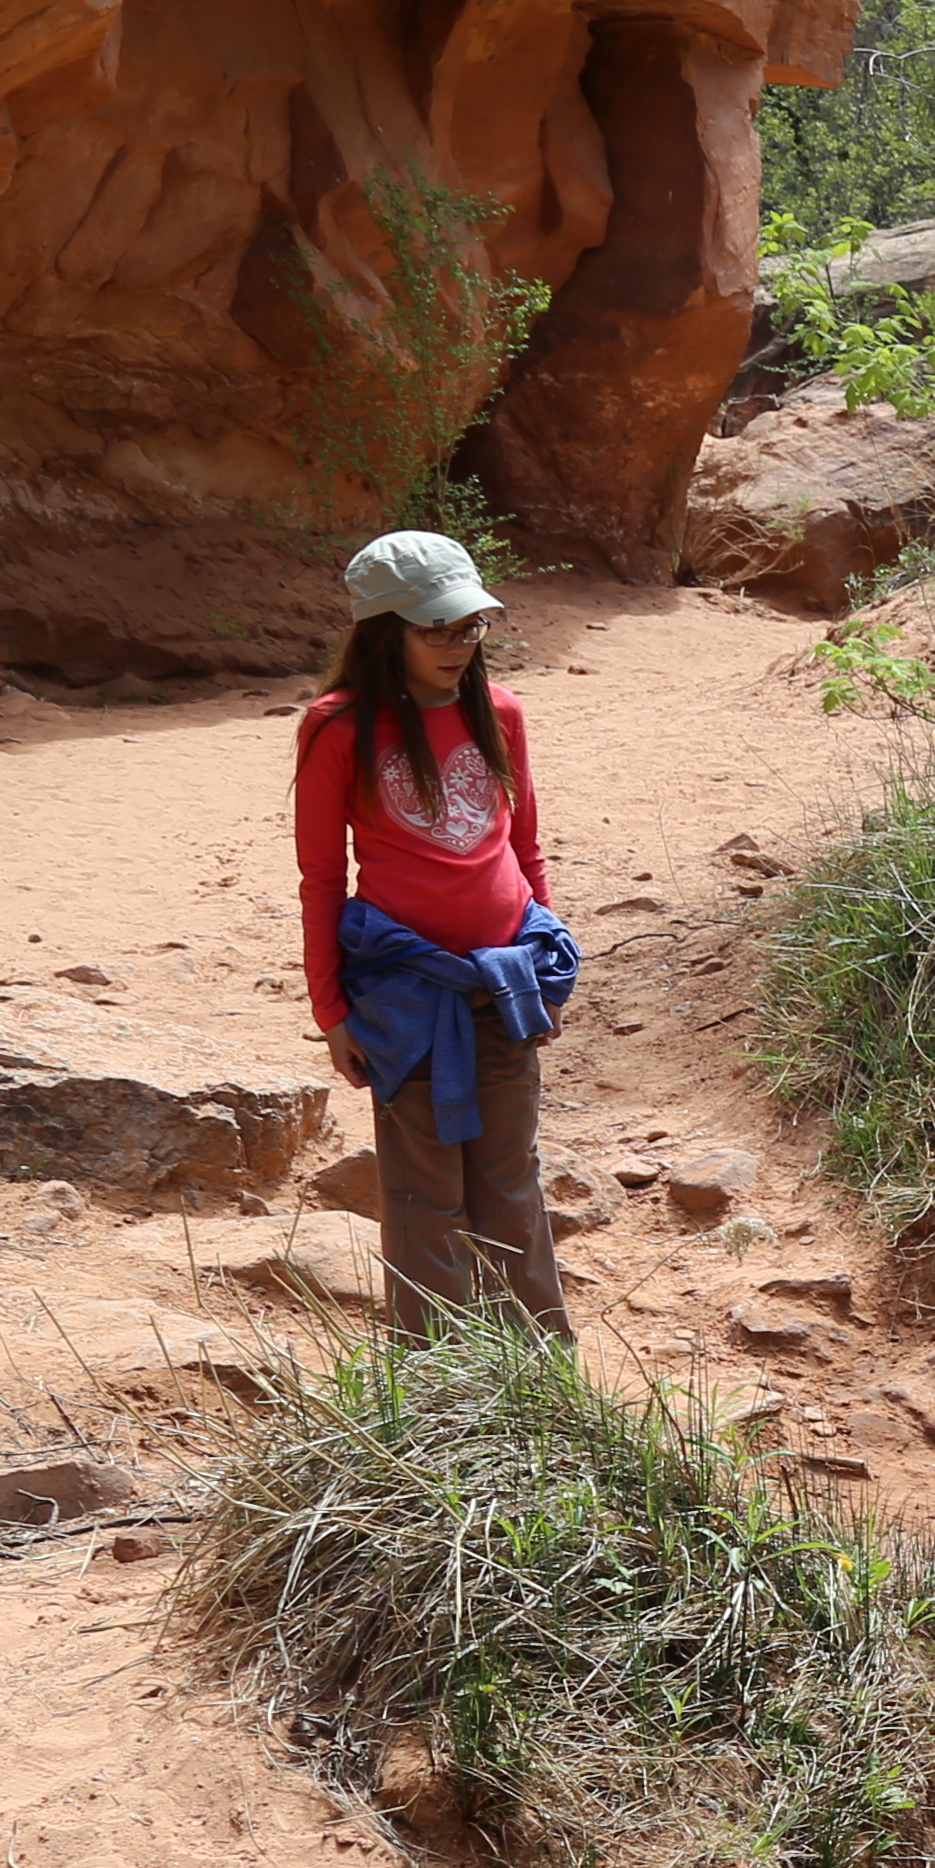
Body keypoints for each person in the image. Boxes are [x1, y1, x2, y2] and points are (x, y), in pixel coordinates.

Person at [297, 528, 579, 1337]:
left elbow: (524, 849)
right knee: (424, 1198)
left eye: (471, 626)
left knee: (510, 1182)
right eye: (438, 629)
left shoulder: (499, 711)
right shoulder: (337, 729)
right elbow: (323, 877)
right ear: (385, 630)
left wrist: (546, 972)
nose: (460, 644)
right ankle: (436, 1381)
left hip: (505, 985)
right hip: (407, 999)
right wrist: (332, 1012)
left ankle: (539, 1370)